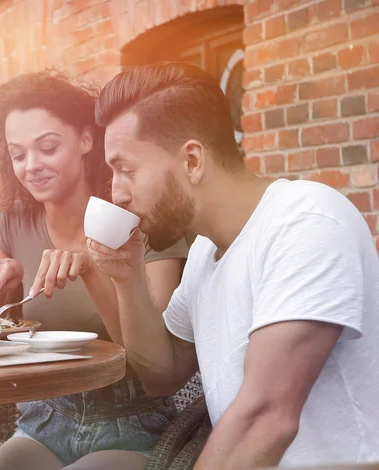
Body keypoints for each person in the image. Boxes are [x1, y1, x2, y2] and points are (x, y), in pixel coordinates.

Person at [83, 61, 379, 469]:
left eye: (126, 170)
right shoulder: (206, 251)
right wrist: (127, 276)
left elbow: (267, 419)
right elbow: (162, 376)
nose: (117, 194)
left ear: (191, 161)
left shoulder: (305, 224)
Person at [0, 71, 190, 470]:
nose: (31, 166)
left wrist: (92, 269)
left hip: (132, 421)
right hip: (45, 419)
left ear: (87, 141)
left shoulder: (141, 220)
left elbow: (153, 362)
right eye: (18, 155)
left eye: (48, 147)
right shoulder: (12, 224)